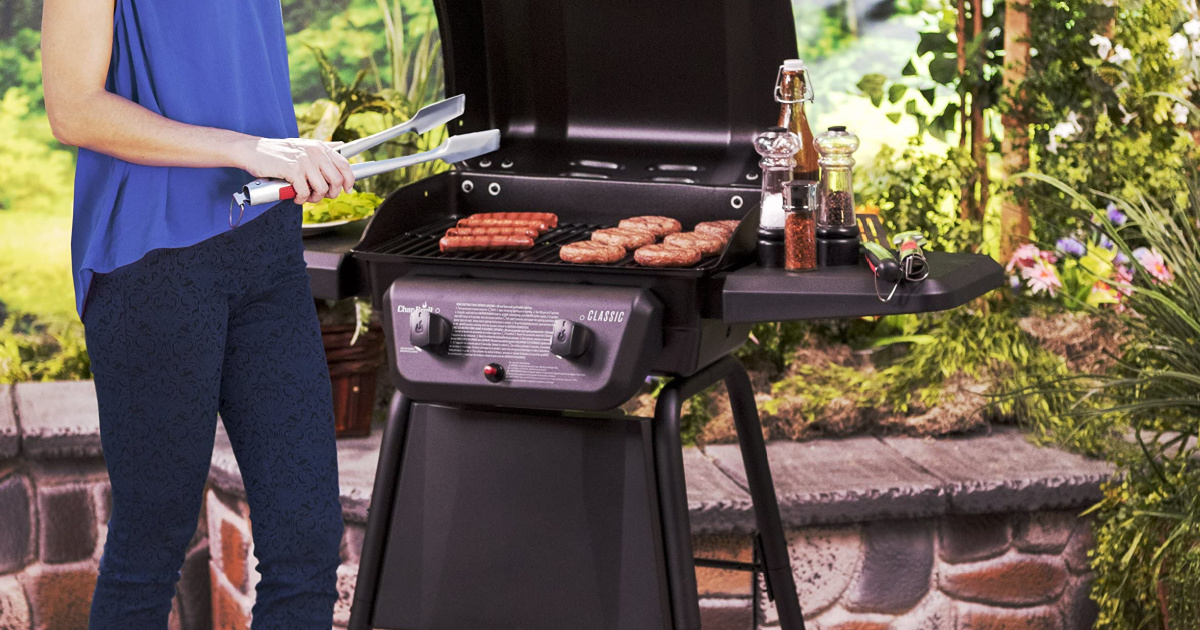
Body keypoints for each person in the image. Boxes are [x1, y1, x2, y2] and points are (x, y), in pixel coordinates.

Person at [42, 0, 352, 626]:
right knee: (151, 551)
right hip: (153, 260)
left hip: (265, 240)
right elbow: (72, 108)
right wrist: (247, 147)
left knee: (308, 547)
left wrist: (287, 155)